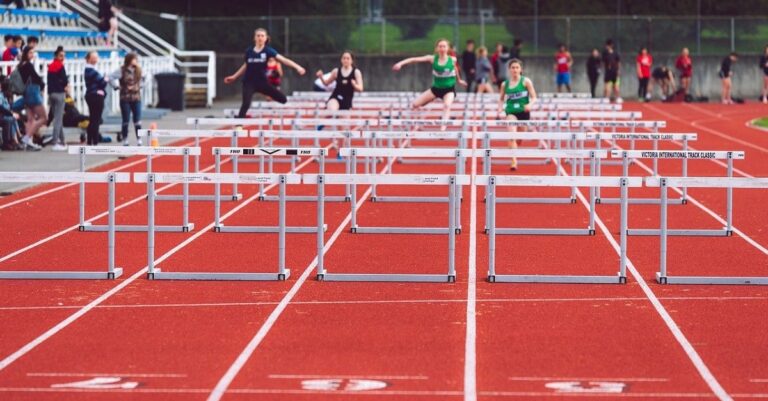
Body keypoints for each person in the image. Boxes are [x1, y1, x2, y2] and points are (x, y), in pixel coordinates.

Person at [225, 28, 306, 118]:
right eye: (258, 36)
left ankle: (265, 94)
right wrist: (234, 76)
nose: (260, 38)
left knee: (283, 99)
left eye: (262, 36)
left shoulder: (268, 51)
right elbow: (246, 65)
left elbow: (284, 60)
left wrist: (298, 67)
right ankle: (239, 123)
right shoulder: (249, 51)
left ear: (266, 38)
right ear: (254, 38)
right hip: (249, 82)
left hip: (262, 82)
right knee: (246, 104)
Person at [392, 38, 467, 123]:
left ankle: (443, 128)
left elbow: (455, 68)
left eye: (444, 46)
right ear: (437, 48)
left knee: (447, 105)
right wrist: (400, 63)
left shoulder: (453, 59)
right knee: (415, 104)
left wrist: (459, 80)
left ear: (448, 48)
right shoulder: (432, 58)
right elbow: (414, 59)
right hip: (436, 89)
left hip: (449, 90)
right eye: (440, 46)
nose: (442, 48)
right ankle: (430, 100)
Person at [497, 58, 537, 171]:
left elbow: (534, 97)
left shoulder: (526, 81)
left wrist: (530, 105)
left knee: (519, 138)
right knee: (512, 135)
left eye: (517, 67)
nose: (515, 70)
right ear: (509, 69)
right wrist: (500, 109)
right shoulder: (505, 84)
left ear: (521, 69)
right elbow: (501, 99)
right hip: (511, 112)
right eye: (513, 67)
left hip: (524, 112)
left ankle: (513, 147)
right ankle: (514, 161)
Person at [17, 46, 45, 150]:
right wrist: (42, 84)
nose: (32, 55)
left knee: (30, 119)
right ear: (25, 54)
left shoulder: (20, 65)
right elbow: (36, 77)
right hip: (33, 93)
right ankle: (27, 138)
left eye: (33, 53)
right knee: (44, 118)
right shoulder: (28, 65)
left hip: (26, 93)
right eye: (30, 53)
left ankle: (29, 142)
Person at [113, 53, 143, 146]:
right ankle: (125, 139)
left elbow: (146, 78)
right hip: (125, 98)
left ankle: (139, 139)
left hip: (136, 98)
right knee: (125, 119)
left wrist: (139, 86)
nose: (136, 61)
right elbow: (110, 77)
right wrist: (116, 86)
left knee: (137, 120)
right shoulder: (121, 70)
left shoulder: (138, 70)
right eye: (134, 59)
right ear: (129, 60)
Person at [84, 51, 109, 145]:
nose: (96, 59)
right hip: (96, 96)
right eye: (94, 57)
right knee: (96, 120)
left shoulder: (88, 70)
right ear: (89, 59)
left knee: (92, 119)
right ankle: (95, 141)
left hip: (91, 95)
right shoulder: (91, 71)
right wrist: (105, 79)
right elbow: (102, 83)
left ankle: (90, 141)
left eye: (96, 57)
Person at [47, 46, 69, 151]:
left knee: (57, 118)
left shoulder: (51, 66)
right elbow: (65, 80)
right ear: (56, 56)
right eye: (61, 56)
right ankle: (55, 142)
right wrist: (65, 85)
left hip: (51, 94)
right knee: (58, 119)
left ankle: (63, 141)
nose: (62, 58)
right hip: (60, 93)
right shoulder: (60, 66)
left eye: (63, 56)